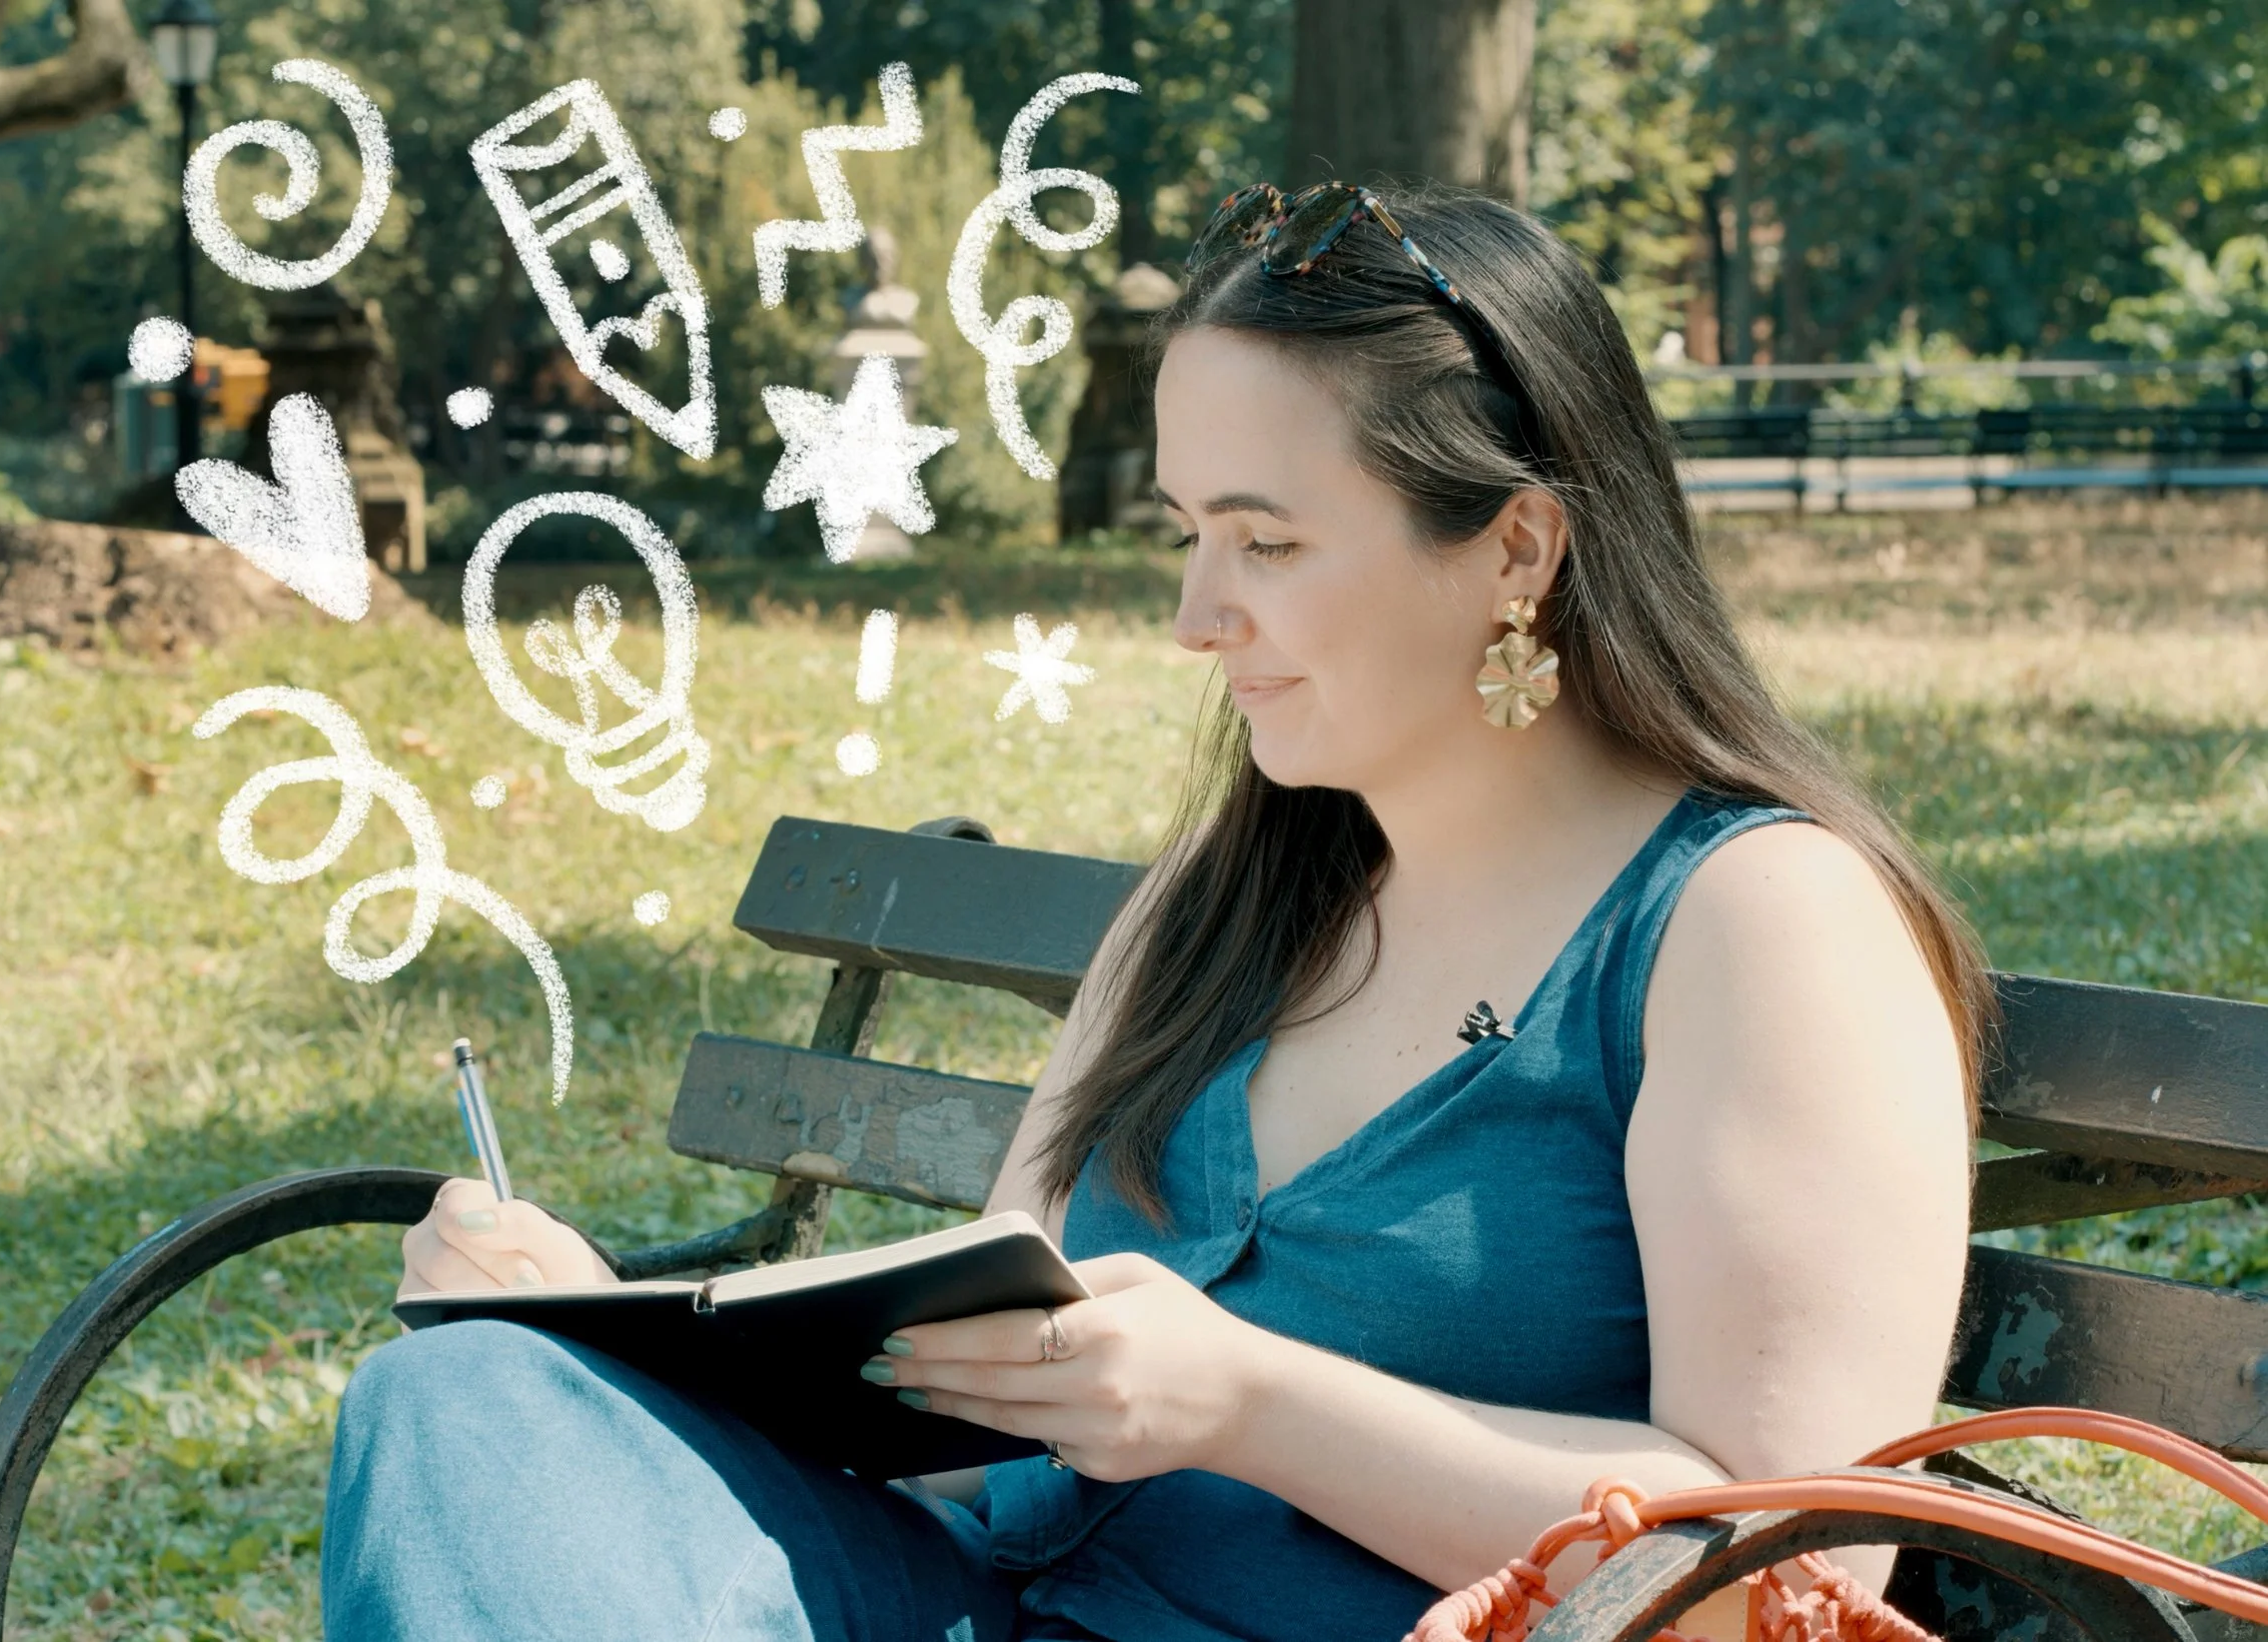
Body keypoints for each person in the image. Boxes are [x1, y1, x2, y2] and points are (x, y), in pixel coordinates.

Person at [321, 180, 1982, 1642]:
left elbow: (1777, 1572)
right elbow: (990, 1396)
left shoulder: (1759, 926)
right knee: (465, 1399)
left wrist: (1249, 1403)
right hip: (986, 1597)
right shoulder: (1227, 899)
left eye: (1266, 539)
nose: (1197, 614)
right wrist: (602, 1330)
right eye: (1190, 534)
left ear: (1517, 550)